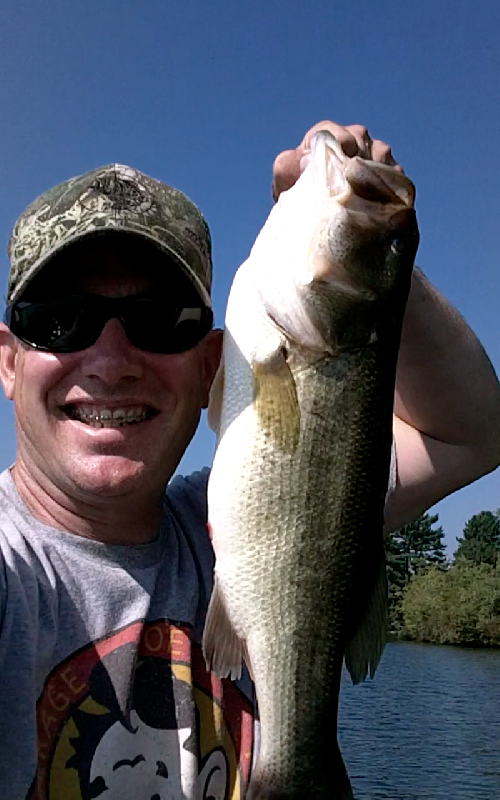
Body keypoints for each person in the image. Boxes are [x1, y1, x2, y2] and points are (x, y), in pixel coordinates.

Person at [0, 121, 498, 800]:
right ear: (8, 360)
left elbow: (473, 434)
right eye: (60, 319)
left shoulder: (215, 530)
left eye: (157, 319)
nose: (111, 361)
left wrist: (378, 247)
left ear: (211, 364)